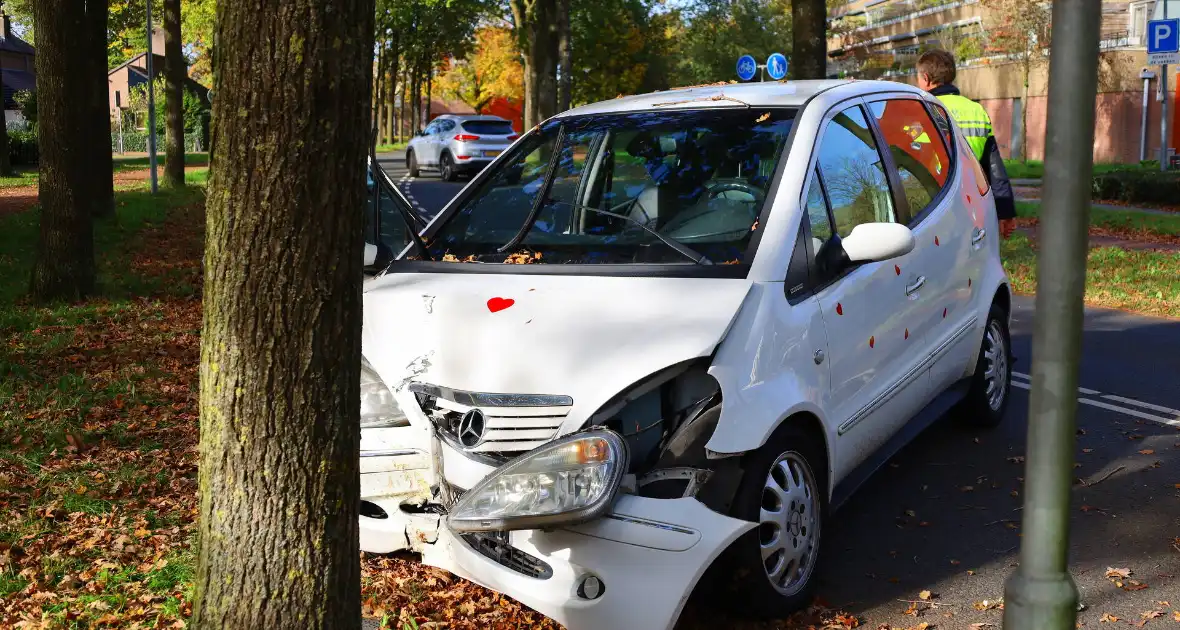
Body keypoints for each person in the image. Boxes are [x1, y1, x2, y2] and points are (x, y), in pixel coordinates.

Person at [916, 49, 1016, 238]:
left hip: (933, 209)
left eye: (918, 79)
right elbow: (994, 168)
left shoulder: (923, 109)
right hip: (973, 208)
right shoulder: (976, 110)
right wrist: (1006, 213)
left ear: (927, 79)